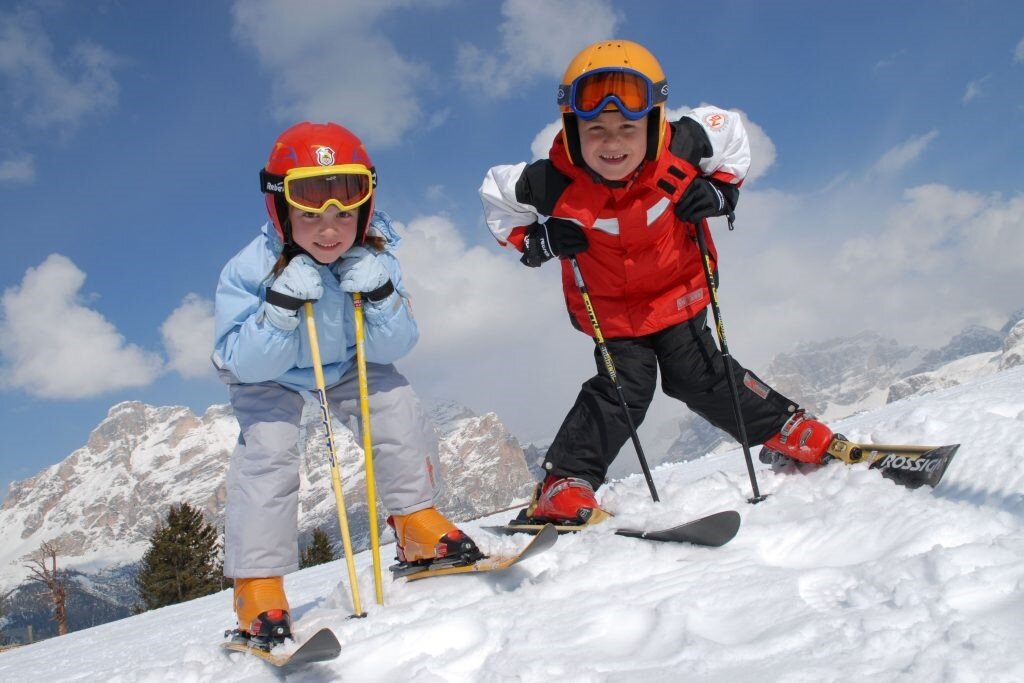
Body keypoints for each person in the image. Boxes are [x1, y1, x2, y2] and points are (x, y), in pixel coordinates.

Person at [479, 39, 836, 525]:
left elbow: (731, 132)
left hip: (679, 292)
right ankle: (564, 481)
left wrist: (721, 191)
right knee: (625, 389)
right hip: (613, 314)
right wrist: (537, 240)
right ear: (571, 127)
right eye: (596, 129)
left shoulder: (686, 144)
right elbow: (496, 197)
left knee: (702, 374)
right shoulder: (552, 182)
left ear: (653, 124)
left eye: (628, 127)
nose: (612, 143)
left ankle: (785, 430)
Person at [213, 122, 481, 647]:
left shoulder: (375, 257)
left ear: (365, 207)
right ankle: (257, 585)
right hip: (269, 371)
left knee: (395, 403)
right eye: (311, 215)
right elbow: (241, 361)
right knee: (269, 451)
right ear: (281, 210)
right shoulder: (249, 269)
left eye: (344, 213)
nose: (329, 229)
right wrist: (280, 309)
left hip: (343, 362)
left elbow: (393, 347)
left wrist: (380, 295)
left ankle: (415, 524)